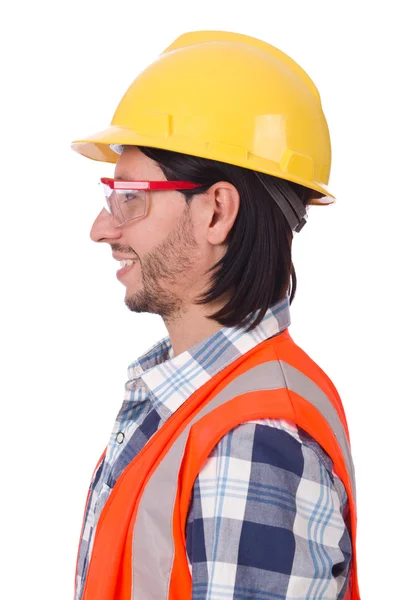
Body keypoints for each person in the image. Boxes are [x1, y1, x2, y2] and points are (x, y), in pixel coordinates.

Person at [71, 31, 361, 600]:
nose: (102, 228)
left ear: (217, 212)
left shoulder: (252, 441)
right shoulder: (189, 399)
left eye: (131, 195)